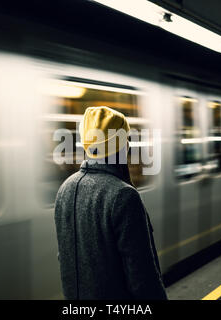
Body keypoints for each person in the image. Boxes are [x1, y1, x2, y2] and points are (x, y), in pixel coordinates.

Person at [54, 106, 167, 300]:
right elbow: (142, 277)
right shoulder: (123, 195)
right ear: (122, 145)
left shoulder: (65, 188)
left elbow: (64, 258)